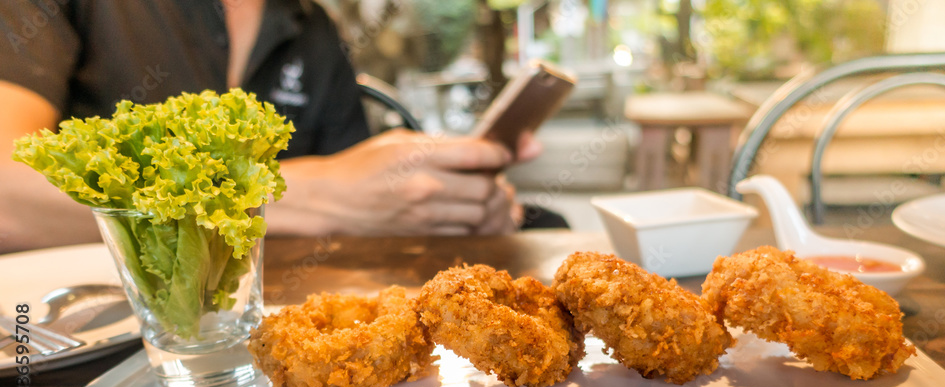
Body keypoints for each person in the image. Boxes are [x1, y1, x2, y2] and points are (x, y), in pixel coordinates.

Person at [0, 0, 541, 254]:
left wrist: (442, 204)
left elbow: (366, 224)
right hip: (81, 361)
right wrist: (310, 196)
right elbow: (7, 197)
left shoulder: (313, 28)